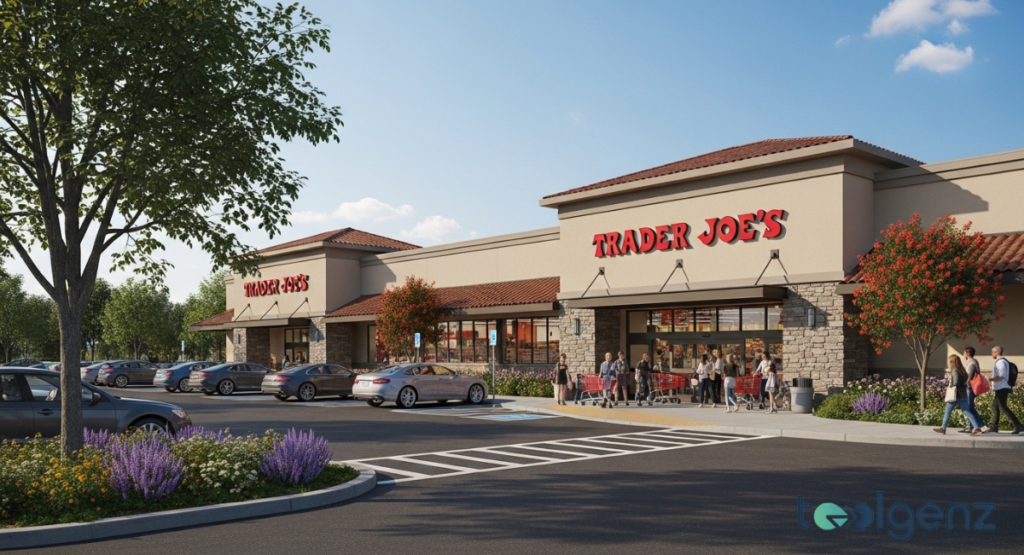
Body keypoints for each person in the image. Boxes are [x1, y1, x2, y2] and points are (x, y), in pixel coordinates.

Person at [935, 354, 986, 435]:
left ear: (952, 362)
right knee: (967, 412)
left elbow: (956, 383)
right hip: (963, 395)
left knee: (948, 411)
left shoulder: (955, 371)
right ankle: (976, 428)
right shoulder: (962, 371)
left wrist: (950, 387)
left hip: (955, 395)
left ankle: (943, 428)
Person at [987, 346, 1024, 434]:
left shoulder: (1001, 362)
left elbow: (1001, 376)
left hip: (1002, 388)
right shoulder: (1001, 362)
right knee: (995, 406)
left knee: (1003, 407)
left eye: (992, 352)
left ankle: (1018, 425)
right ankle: (994, 426)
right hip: (1001, 388)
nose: (991, 353)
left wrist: (990, 379)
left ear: (997, 352)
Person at [960, 347, 983, 433]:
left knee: (969, 407)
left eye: (964, 352)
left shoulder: (972, 363)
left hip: (970, 387)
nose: (963, 354)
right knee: (970, 407)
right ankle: (976, 425)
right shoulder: (972, 362)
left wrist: (967, 382)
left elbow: (970, 375)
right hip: (970, 387)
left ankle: (972, 426)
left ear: (967, 353)